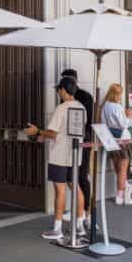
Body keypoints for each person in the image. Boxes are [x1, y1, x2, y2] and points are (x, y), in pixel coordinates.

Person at [25, 76, 87, 240]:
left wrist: (37, 131)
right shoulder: (81, 107)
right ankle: (80, 225)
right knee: (76, 188)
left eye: (59, 89)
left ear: (64, 90)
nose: (58, 92)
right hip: (74, 155)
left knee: (60, 191)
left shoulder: (61, 108)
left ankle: (57, 228)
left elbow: (53, 133)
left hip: (59, 155)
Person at [61, 68, 94, 221]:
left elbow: (86, 121)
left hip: (84, 140)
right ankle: (77, 210)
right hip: (69, 141)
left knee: (81, 176)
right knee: (71, 176)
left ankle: (87, 212)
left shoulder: (84, 97)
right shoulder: (65, 98)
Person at [101, 83, 132, 205]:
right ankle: (120, 195)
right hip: (122, 140)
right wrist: (129, 116)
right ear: (117, 94)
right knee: (123, 170)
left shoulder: (104, 106)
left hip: (110, 139)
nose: (121, 96)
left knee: (117, 167)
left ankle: (125, 187)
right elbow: (124, 125)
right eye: (120, 94)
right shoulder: (117, 107)